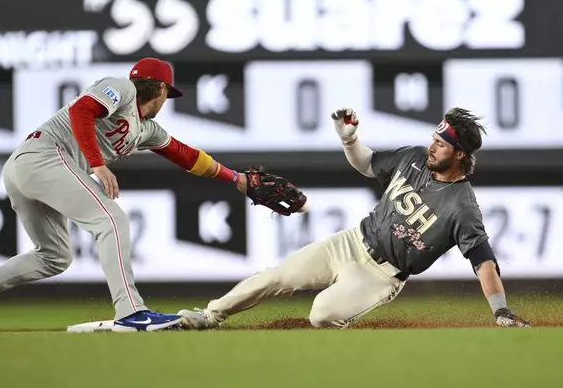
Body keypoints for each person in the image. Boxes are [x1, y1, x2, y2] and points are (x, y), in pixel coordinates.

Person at [0, 58, 249, 333]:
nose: (165, 101)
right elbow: (82, 110)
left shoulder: (146, 129)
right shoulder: (122, 88)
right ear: (159, 87)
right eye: (167, 95)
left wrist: (236, 178)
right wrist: (98, 166)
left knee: (55, 257)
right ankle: (131, 311)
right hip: (43, 156)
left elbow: (186, 155)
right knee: (112, 221)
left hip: (27, 168)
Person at [178, 107, 530, 329]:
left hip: (381, 275)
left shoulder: (463, 207)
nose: (433, 145)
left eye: (442, 143)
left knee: (321, 314)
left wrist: (500, 310)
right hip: (350, 242)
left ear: (461, 154)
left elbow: (484, 263)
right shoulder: (414, 157)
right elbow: (368, 164)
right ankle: (210, 316)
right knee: (277, 275)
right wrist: (350, 140)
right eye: (435, 138)